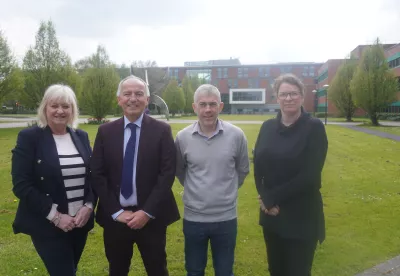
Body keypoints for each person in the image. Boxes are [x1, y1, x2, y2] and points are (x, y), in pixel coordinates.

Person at [91, 75, 180, 276]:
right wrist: (116, 211)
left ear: (147, 100)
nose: (133, 98)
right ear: (119, 99)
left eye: (139, 94)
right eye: (127, 94)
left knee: (157, 269)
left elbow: (167, 174)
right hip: (116, 219)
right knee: (117, 270)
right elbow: (97, 173)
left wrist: (146, 212)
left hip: (151, 218)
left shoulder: (162, 130)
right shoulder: (105, 131)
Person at [11, 84, 95, 276]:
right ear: (45, 108)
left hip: (79, 223)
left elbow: (93, 176)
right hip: (47, 223)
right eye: (54, 105)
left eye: (66, 106)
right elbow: (21, 184)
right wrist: (56, 217)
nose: (60, 111)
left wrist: (88, 206)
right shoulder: (30, 137)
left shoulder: (81, 136)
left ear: (72, 110)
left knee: (70, 269)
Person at [254, 73, 328, 276]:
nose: (288, 98)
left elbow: (310, 175)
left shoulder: (314, 128)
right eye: (283, 94)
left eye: (293, 94)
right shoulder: (267, 127)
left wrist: (272, 199)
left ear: (302, 96)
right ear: (276, 97)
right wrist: (266, 200)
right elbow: (258, 167)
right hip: (272, 217)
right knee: (276, 270)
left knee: (298, 271)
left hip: (300, 216)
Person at [175, 84, 250, 276]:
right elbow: (180, 171)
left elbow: (242, 170)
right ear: (194, 107)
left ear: (220, 106)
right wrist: (197, 191)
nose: (208, 109)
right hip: (194, 219)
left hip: (226, 219)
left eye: (212, 104)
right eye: (203, 104)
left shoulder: (236, 135)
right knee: (194, 270)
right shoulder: (182, 138)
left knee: (224, 271)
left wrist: (225, 191)